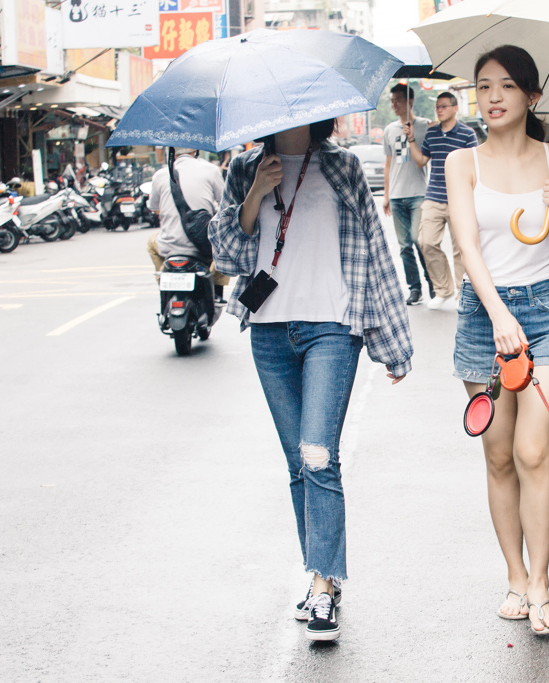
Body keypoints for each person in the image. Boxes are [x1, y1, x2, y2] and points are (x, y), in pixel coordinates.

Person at [208, 120, 413, 643]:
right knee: (298, 461)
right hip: (270, 333)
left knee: (319, 454)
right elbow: (229, 256)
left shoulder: (341, 166)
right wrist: (255, 193)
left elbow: (375, 251)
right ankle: (319, 572)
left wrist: (392, 342)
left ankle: (324, 587)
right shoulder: (244, 169)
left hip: (331, 327)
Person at [444, 45, 549, 635]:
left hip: (547, 312)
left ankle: (541, 582)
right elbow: (467, 248)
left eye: (507, 86)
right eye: (483, 87)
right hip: (486, 316)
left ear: (532, 97)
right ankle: (514, 575)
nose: (493, 97)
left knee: (536, 449)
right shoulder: (464, 163)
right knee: (500, 454)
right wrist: (498, 314)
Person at [405, 91, 479, 310]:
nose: (439, 109)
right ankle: (443, 290)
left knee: (461, 249)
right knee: (425, 241)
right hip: (434, 196)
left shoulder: (467, 134)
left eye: (444, 106)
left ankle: (461, 295)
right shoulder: (432, 133)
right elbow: (421, 161)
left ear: (455, 108)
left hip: (460, 198)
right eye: (437, 106)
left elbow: (474, 164)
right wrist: (411, 140)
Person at [146, 148, 229, 299]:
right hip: (204, 244)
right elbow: (226, 204)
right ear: (195, 150)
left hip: (168, 245)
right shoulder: (211, 170)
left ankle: (162, 279)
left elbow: (152, 207)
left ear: (171, 151)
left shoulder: (160, 175)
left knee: (151, 242)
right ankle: (216, 292)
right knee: (225, 248)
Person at [383, 83, 435, 306]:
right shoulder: (389, 130)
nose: (394, 105)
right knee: (404, 246)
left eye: (398, 100)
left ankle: (432, 281)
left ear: (410, 102)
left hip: (418, 194)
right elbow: (388, 164)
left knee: (419, 239)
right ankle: (415, 289)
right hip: (396, 195)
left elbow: (428, 157)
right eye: (392, 101)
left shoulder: (425, 126)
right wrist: (386, 195)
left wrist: (413, 134)